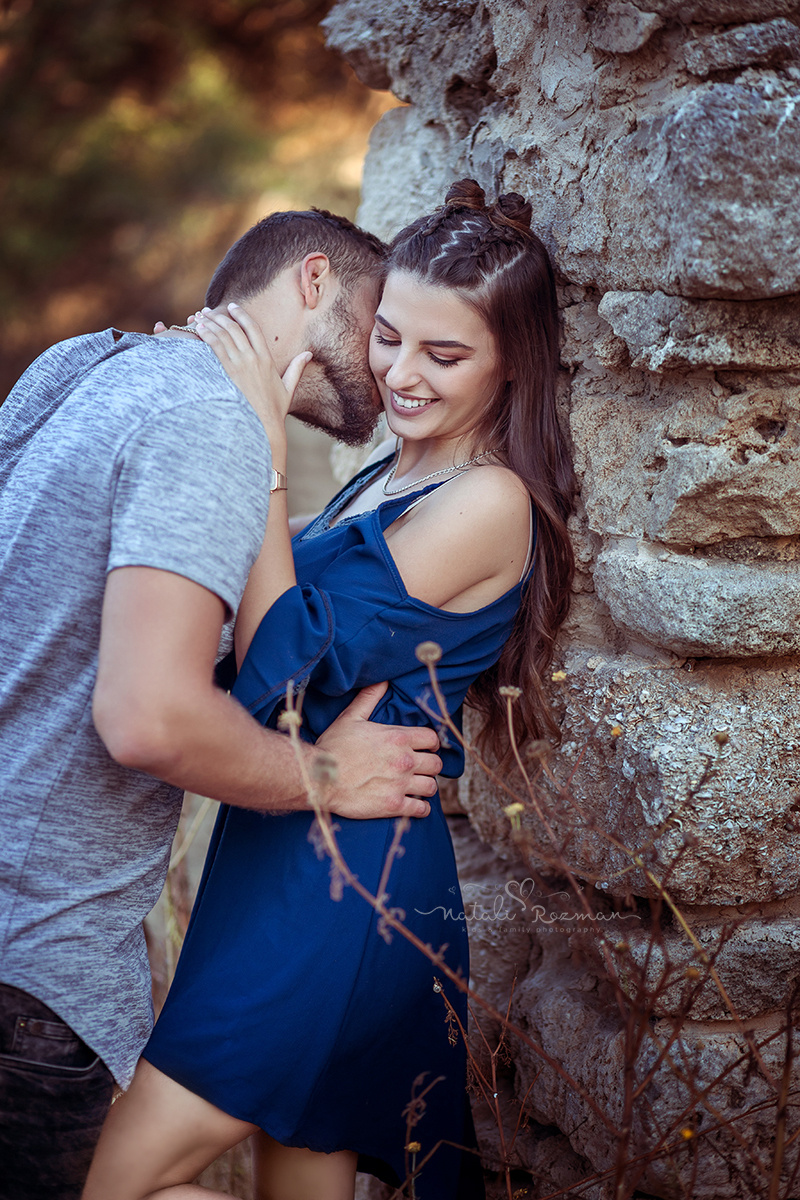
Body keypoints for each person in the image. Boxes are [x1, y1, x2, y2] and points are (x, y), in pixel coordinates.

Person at [82, 179, 576, 1200]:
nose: (398, 374)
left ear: (511, 363)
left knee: (98, 1177)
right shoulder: (386, 477)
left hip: (345, 885)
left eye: (444, 356)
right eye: (389, 337)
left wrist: (260, 454)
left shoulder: (485, 501)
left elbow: (282, 659)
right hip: (279, 848)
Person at [0, 207, 445, 1200]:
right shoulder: (208, 422)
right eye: (378, 325)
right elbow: (147, 717)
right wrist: (326, 776)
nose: (386, 366)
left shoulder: (78, 369)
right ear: (313, 281)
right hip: (30, 973)